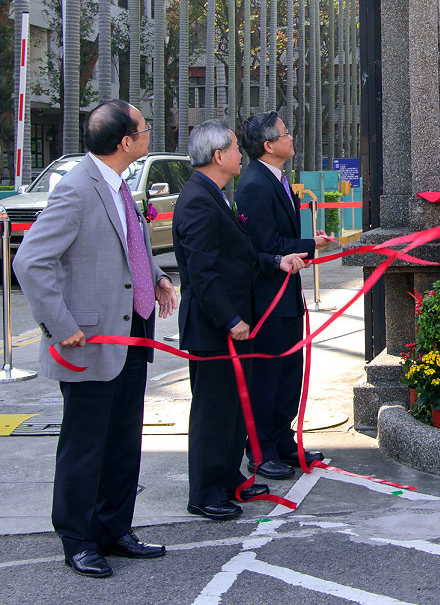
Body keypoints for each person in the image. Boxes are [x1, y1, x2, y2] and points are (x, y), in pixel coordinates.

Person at [14, 101, 177, 578]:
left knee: (123, 441)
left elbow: (130, 246)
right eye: (144, 128)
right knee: (86, 445)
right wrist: (61, 325)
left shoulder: (119, 184)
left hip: (131, 334)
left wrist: (157, 278)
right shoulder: (77, 188)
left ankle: (114, 530)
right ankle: (79, 540)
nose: (148, 133)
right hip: (88, 341)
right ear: (125, 141)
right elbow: (31, 261)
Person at [173, 121, 307, 521]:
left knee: (234, 409)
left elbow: (242, 255)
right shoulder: (197, 200)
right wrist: (230, 318)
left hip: (235, 325)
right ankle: (205, 493)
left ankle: (229, 478)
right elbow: (202, 272)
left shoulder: (215, 194)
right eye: (234, 148)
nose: (239, 155)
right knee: (214, 412)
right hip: (214, 329)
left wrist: (277, 261)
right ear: (218, 156)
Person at [235, 112, 336, 479]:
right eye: (284, 133)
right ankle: (260, 451)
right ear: (268, 145)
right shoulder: (254, 185)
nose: (291, 137)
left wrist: (309, 244)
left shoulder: (276, 179)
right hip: (267, 302)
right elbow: (265, 246)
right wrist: (311, 245)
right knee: (267, 377)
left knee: (288, 375)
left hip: (287, 297)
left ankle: (282, 441)